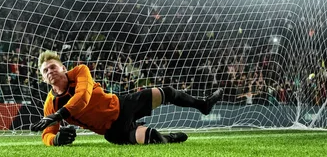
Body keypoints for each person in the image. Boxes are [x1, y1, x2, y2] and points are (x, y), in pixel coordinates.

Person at [30, 51, 223, 146]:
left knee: (168, 92)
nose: (50, 72)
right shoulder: (51, 104)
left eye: (53, 67)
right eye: (45, 71)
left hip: (122, 103)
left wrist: (59, 115)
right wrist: (55, 140)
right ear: (43, 78)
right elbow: (47, 134)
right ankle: (169, 138)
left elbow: (83, 97)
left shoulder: (80, 71)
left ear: (63, 68)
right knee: (153, 138)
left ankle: (203, 105)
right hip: (113, 129)